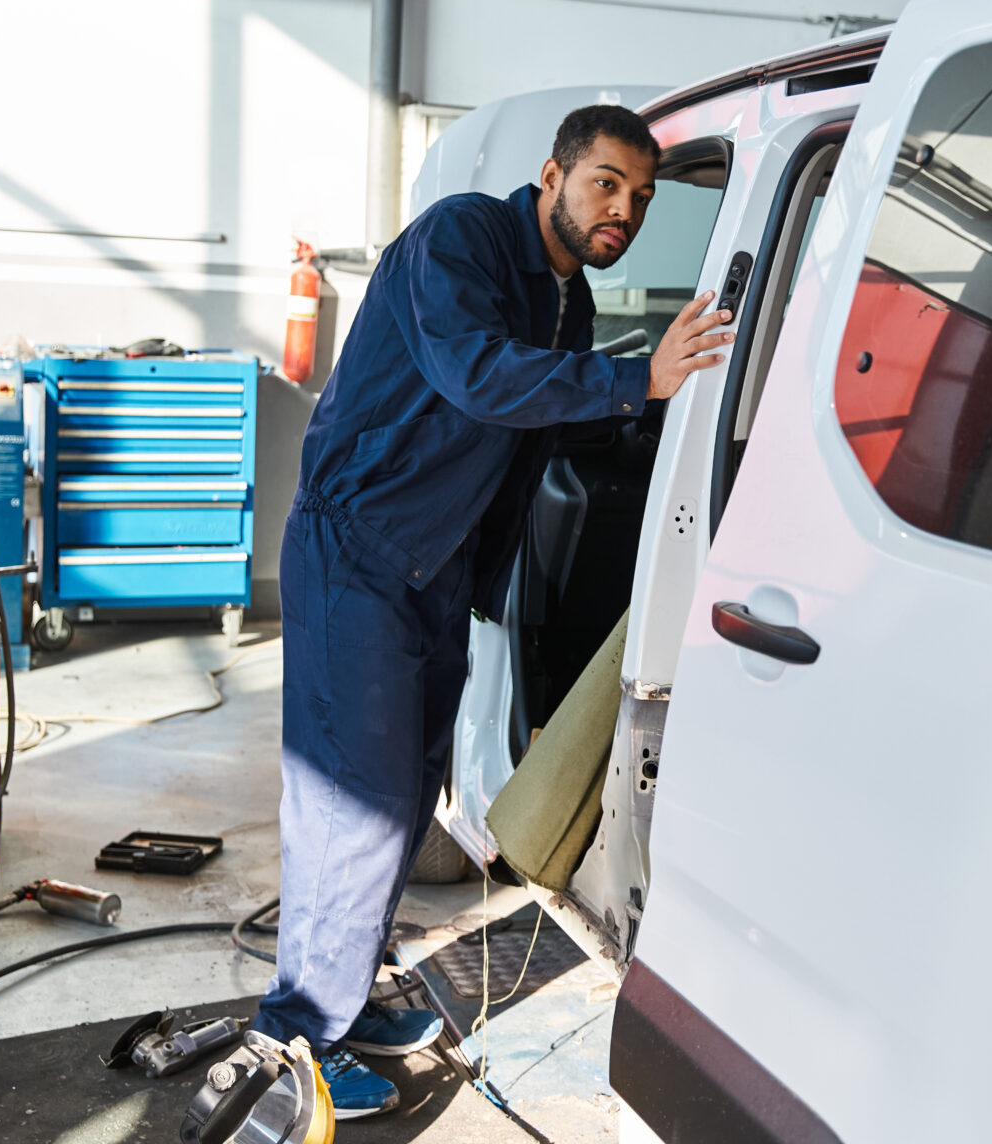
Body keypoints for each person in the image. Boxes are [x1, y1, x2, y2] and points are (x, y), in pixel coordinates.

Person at [251, 104, 733, 1118]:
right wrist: (632, 379)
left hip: (436, 565)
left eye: (639, 197)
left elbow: (535, 432)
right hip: (359, 552)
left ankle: (350, 989)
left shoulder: (571, 302)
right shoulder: (462, 236)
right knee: (352, 802)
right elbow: (478, 375)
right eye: (606, 182)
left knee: (404, 790)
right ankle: (293, 1036)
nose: (623, 209)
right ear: (554, 173)